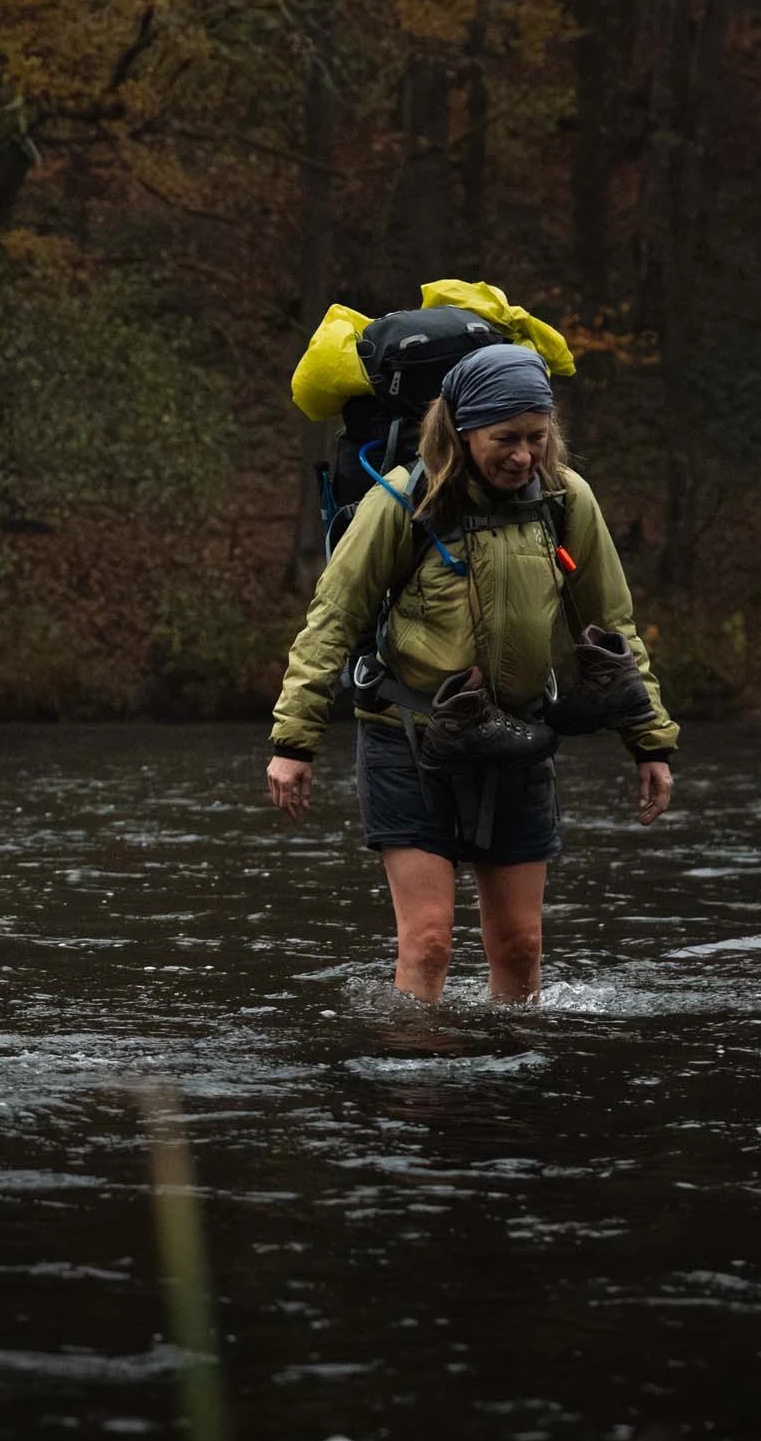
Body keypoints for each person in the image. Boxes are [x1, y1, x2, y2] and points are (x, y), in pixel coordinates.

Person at [265, 343, 677, 1003]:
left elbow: (612, 626)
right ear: (459, 431)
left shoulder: (564, 501)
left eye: (536, 438)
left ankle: (508, 1091)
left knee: (520, 945)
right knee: (427, 941)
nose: (522, 455)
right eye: (504, 439)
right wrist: (293, 742)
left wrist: (648, 741)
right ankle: (420, 1084)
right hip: (408, 738)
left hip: (515, 738)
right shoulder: (404, 501)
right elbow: (331, 618)